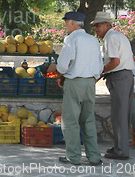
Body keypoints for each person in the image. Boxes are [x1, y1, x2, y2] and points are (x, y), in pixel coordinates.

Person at [47, 11, 103, 166]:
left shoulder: (71, 39)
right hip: (90, 83)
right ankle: (94, 156)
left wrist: (60, 75)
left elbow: (63, 65)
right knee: (88, 120)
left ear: (72, 22)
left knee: (70, 121)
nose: (65, 25)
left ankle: (73, 156)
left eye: (66, 22)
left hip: (74, 82)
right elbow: (99, 65)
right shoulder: (93, 40)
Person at [91, 11, 134, 160]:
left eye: (98, 25)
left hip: (119, 77)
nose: (95, 28)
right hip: (124, 76)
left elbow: (115, 62)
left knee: (119, 115)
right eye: (94, 25)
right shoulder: (117, 36)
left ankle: (121, 151)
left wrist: (99, 72)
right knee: (122, 115)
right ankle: (119, 147)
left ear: (107, 25)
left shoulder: (111, 37)